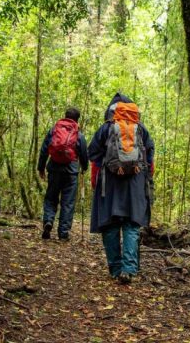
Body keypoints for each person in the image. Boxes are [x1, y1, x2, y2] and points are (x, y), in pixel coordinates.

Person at [89, 93, 154, 284]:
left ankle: (116, 269)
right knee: (132, 225)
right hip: (135, 184)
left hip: (109, 185)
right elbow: (149, 157)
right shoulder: (141, 129)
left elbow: (92, 152)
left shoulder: (106, 128)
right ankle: (129, 269)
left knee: (110, 226)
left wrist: (108, 165)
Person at [38, 107, 88, 240]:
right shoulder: (78, 134)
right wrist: (84, 167)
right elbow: (83, 152)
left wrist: (41, 168)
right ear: (77, 119)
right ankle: (63, 233)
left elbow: (44, 149)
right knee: (68, 202)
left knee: (51, 198)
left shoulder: (54, 130)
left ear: (65, 116)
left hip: (54, 168)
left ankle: (48, 221)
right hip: (71, 171)